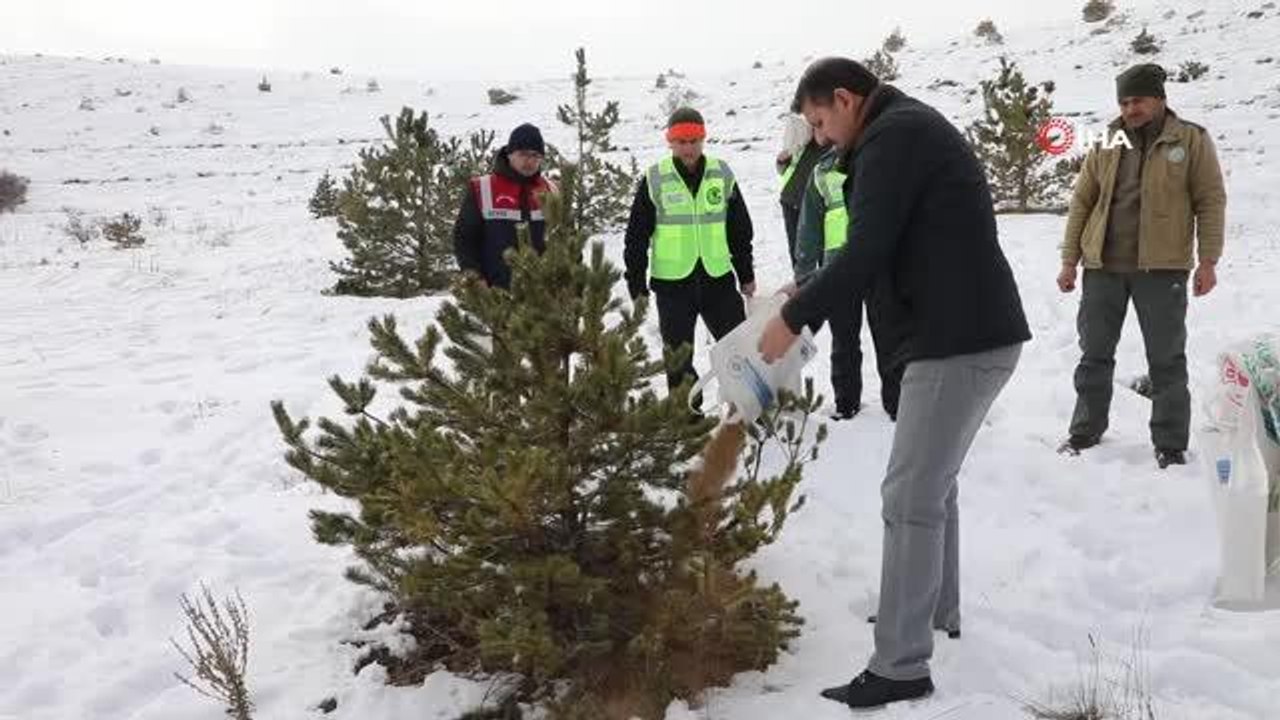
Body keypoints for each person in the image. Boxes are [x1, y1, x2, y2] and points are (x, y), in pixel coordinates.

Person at [757, 58, 1031, 709]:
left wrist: (794, 317)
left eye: (821, 122)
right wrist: (806, 286)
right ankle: (934, 610)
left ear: (848, 101)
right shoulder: (902, 130)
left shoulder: (891, 137)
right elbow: (876, 245)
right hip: (968, 331)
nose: (820, 138)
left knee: (909, 494)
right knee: (933, 486)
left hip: (957, 339)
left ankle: (902, 665)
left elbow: (869, 248)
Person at [1057, 63, 1227, 469]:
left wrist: (1208, 261)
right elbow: (1082, 201)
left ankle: (1170, 444)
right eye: (1125, 101)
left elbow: (1210, 199)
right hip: (1102, 267)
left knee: (1167, 360)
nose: (1131, 108)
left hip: (1162, 269)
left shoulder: (1190, 139)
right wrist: (1069, 260)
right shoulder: (1106, 140)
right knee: (1093, 354)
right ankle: (1085, 430)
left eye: (1139, 100)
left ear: (1160, 99)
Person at [624, 107, 756, 395]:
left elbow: (739, 230)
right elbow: (636, 236)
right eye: (681, 141)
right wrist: (636, 282)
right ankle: (686, 421)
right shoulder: (654, 178)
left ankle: (750, 408)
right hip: (673, 287)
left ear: (703, 139)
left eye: (694, 140)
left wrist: (746, 273)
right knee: (679, 360)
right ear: (669, 142)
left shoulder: (721, 174)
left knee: (739, 349)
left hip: (717, 279)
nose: (688, 148)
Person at [793, 140, 907, 420]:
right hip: (838, 270)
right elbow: (809, 225)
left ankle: (898, 404)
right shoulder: (821, 170)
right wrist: (804, 271)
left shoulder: (875, 160)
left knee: (888, 336)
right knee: (844, 340)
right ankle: (846, 403)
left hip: (878, 264)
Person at [453, 123, 556, 289]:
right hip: (495, 297)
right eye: (522, 154)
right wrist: (475, 278)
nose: (529, 161)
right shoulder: (482, 188)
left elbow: (567, 241)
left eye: (535, 155)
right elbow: (464, 239)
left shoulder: (552, 191)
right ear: (509, 154)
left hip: (544, 298)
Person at [777, 113, 826, 266]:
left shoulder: (837, 145)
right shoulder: (802, 140)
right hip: (793, 202)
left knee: (826, 257)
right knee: (800, 257)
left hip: (823, 207)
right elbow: (783, 169)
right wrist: (782, 159)